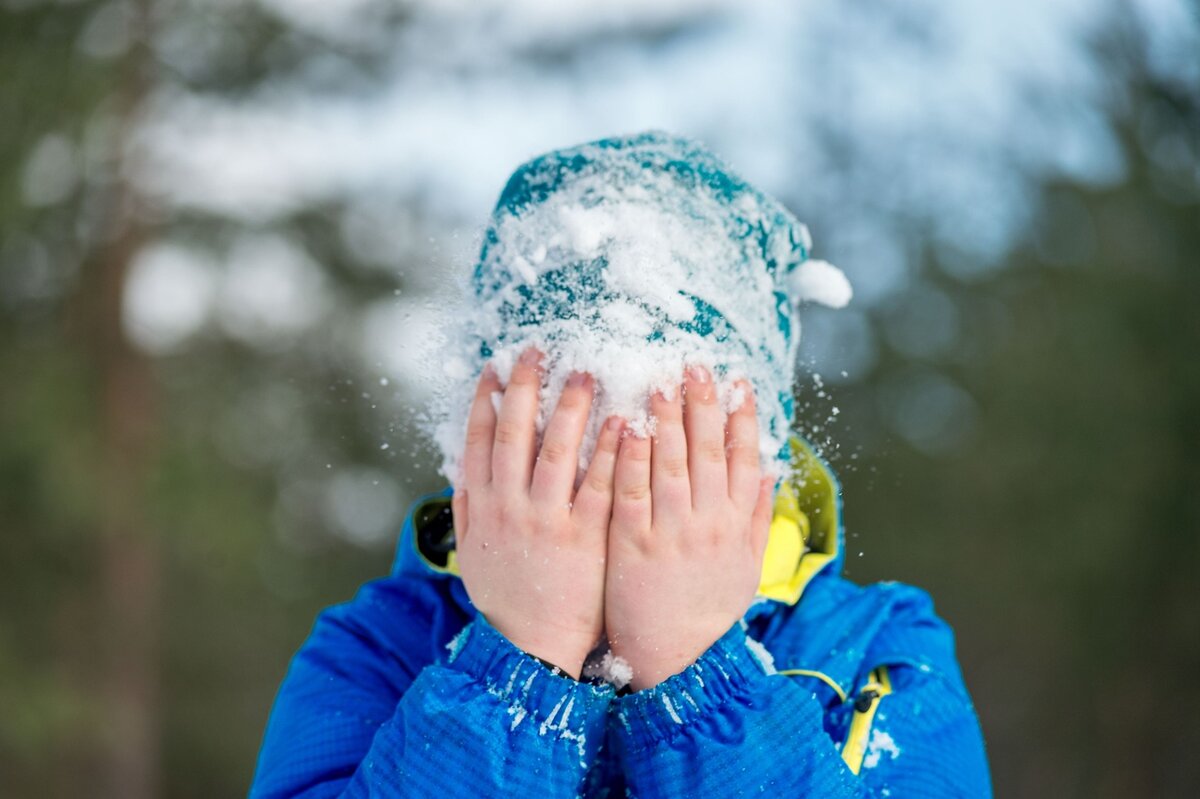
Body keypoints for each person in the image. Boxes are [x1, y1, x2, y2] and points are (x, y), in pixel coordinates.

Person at [250, 132, 992, 797]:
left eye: (670, 453)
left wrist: (698, 673)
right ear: (481, 442)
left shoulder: (876, 652)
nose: (615, 504)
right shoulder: (376, 646)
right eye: (556, 448)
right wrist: (516, 664)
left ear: (754, 456)